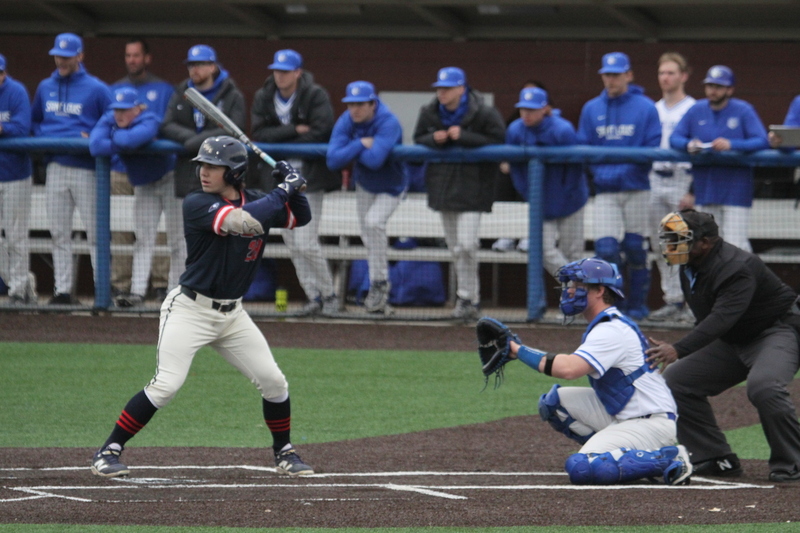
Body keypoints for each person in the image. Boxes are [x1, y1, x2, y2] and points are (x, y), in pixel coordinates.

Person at [91, 136, 315, 479]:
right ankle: (109, 450)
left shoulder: (258, 199)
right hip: (189, 310)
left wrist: (294, 185)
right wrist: (283, 189)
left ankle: (284, 451)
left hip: (232, 315)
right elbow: (243, 222)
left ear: (235, 172)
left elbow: (301, 218)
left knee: (274, 381)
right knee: (166, 385)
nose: (204, 172)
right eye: (203, 165)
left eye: (213, 166)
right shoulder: (197, 203)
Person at [502, 257, 691, 485]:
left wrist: (517, 350)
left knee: (582, 469)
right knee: (554, 403)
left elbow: (569, 369)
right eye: (569, 285)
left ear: (600, 290)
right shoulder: (605, 325)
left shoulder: (611, 329)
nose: (569, 291)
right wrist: (517, 352)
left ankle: (668, 458)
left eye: (576, 285)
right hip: (625, 414)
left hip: (650, 422)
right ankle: (622, 457)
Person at [647, 209, 800, 482]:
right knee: (675, 380)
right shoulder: (689, 265)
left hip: (775, 331)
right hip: (734, 338)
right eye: (670, 238)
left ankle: (793, 461)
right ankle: (715, 458)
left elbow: (722, 319)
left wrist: (679, 349)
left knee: (764, 386)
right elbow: (710, 320)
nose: (671, 245)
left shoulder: (736, 266)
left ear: (706, 242)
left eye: (679, 238)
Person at [250, 49, 340, 317]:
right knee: (291, 241)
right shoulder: (264, 96)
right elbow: (259, 133)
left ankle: (330, 295)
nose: (280, 75)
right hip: (278, 180)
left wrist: (281, 141)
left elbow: (321, 131)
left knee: (306, 242)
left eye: (286, 71)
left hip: (308, 179)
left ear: (298, 72)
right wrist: (293, 130)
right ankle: (313, 296)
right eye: (277, 70)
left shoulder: (315, 94)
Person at [413, 66, 505, 320]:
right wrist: (434, 138)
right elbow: (418, 137)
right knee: (455, 248)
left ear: (461, 89)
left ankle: (469, 298)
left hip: (474, 187)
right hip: (443, 184)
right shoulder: (430, 111)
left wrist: (465, 136)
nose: (442, 93)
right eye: (439, 88)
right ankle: (467, 300)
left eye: (447, 88)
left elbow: (499, 140)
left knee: (466, 244)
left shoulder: (483, 112)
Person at [577, 52, 661, 321]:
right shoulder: (591, 108)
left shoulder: (646, 107)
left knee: (636, 248)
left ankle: (636, 307)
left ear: (629, 75)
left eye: (616, 74)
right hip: (605, 190)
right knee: (607, 251)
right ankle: (612, 308)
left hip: (636, 188)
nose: (610, 79)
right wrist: (604, 173)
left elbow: (651, 147)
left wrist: (618, 170)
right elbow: (584, 148)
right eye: (606, 74)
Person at [31, 33, 112, 304]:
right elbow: (35, 123)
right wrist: (49, 135)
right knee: (58, 233)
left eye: (66, 56)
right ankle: (62, 292)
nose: (61, 61)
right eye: (57, 55)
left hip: (88, 170)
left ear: (80, 56)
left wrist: (95, 135)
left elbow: (113, 119)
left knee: (96, 233)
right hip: (55, 167)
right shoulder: (45, 86)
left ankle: (103, 292)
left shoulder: (97, 88)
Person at [89, 87, 186, 307]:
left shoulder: (150, 117)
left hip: (169, 179)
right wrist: (120, 137)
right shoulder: (110, 118)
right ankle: (137, 292)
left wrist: (114, 136)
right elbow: (95, 145)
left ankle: (175, 292)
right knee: (143, 238)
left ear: (137, 108)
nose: (119, 114)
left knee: (177, 238)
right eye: (116, 110)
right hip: (144, 185)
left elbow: (130, 141)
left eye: (125, 109)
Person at [669, 65, 769, 253]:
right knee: (710, 245)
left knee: (735, 245)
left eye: (718, 86)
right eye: (710, 86)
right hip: (706, 188)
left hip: (736, 189)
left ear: (729, 89)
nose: (713, 91)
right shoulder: (696, 110)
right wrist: (689, 144)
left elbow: (762, 140)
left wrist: (732, 144)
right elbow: (675, 138)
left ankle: (747, 281)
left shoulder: (743, 110)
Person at [326, 81, 405, 314]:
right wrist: (360, 143)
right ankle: (379, 292)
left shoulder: (388, 121)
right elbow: (332, 160)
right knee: (368, 235)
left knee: (373, 223)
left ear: (373, 103)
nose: (355, 109)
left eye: (360, 104)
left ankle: (380, 283)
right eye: (351, 104)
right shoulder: (347, 120)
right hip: (364, 185)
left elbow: (374, 160)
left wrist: (350, 149)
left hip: (392, 186)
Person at [109, 38, 176, 302]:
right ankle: (121, 285)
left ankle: (161, 284)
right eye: (128, 55)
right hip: (120, 170)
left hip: (156, 170)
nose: (132, 60)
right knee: (123, 230)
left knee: (159, 233)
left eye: (137, 55)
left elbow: (165, 126)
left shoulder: (163, 89)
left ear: (147, 58)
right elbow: (106, 126)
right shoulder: (114, 89)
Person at [505, 87, 588, 287]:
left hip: (571, 200)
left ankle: (577, 302)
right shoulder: (515, 130)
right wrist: (528, 193)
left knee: (572, 252)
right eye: (523, 109)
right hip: (540, 200)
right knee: (541, 249)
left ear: (545, 109)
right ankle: (577, 288)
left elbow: (575, 168)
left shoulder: (562, 129)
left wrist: (567, 195)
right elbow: (515, 168)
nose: (526, 114)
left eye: (532, 109)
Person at [646, 53, 696, 323]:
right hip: (655, 178)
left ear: (684, 76)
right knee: (661, 244)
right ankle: (673, 300)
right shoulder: (652, 108)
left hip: (681, 179)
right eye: (662, 73)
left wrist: (693, 189)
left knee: (685, 244)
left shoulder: (693, 108)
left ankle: (693, 302)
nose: (666, 77)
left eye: (671, 72)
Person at [160, 44, 246, 199]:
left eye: (199, 64)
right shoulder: (182, 92)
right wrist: (192, 138)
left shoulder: (231, 94)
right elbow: (167, 124)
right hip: (187, 169)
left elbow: (236, 128)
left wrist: (199, 142)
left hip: (221, 172)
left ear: (212, 67)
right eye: (191, 65)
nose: (194, 69)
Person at [0, 53, 37, 304]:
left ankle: (18, 291)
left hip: (15, 175)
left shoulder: (16, 91)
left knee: (15, 235)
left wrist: (2, 128)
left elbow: (24, 128)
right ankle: (21, 280)